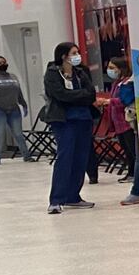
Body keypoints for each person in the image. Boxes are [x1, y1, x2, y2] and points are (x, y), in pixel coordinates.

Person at [41, 43, 98, 214]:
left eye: (78, 52)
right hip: (64, 121)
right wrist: (79, 96)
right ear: (64, 56)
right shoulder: (52, 73)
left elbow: (91, 94)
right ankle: (56, 199)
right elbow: (60, 95)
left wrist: (76, 97)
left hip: (83, 119)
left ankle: (73, 196)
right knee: (65, 157)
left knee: (81, 157)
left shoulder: (81, 72)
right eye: (74, 53)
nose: (77, 55)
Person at [105, 58, 139, 207]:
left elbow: (124, 100)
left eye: (112, 67)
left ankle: (137, 188)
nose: (110, 70)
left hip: (128, 123)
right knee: (132, 154)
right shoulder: (118, 83)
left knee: (137, 157)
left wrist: (110, 102)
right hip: (120, 124)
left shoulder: (128, 83)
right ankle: (133, 180)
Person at [0, 56, 33, 164]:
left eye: (4, 62)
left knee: (18, 134)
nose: (2, 64)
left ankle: (27, 156)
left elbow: (18, 92)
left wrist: (24, 104)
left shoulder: (13, 76)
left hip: (14, 109)